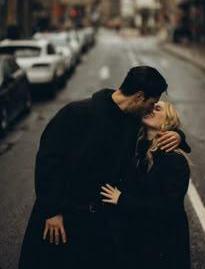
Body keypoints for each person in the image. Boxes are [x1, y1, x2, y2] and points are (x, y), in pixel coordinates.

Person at [19, 66, 191, 269]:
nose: (151, 110)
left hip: (100, 223)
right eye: (151, 103)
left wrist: (178, 135)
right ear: (138, 96)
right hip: (64, 216)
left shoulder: (133, 121)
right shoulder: (77, 113)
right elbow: (48, 162)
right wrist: (52, 211)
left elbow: (155, 134)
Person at [101, 100, 191, 269]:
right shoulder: (137, 147)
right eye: (150, 106)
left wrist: (122, 200)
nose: (151, 109)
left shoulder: (173, 159)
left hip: (163, 245)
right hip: (139, 240)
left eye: (158, 109)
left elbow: (168, 207)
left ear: (168, 121)